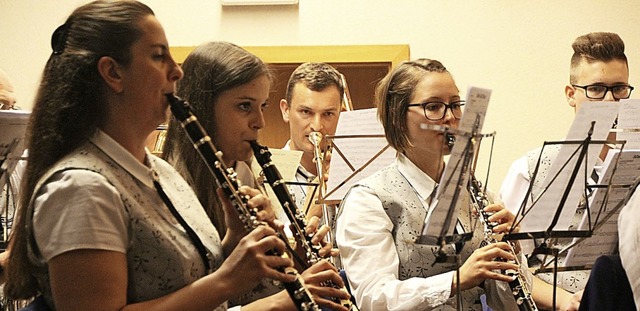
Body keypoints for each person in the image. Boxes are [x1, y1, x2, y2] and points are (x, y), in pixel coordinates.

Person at [3, 2, 313, 310]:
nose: (177, 72)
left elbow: (182, 276)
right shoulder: (80, 188)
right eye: (157, 56)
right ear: (113, 73)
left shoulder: (161, 171)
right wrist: (228, 281)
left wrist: (235, 240)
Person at [162, 41, 350, 310]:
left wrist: (296, 257)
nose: (260, 122)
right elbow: (211, 290)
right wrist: (283, 301)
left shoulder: (240, 171)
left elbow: (238, 278)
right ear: (203, 107)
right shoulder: (170, 187)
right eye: (244, 107)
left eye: (262, 106)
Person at [335, 58, 531, 310]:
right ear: (398, 117)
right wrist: (455, 280)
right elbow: (374, 299)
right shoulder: (369, 200)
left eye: (455, 105)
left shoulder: (476, 192)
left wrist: (511, 248)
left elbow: (507, 304)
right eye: (434, 107)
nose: (450, 117)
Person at [500, 32, 632, 310]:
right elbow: (509, 268)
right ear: (571, 95)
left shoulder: (635, 164)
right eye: (596, 89)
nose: (610, 102)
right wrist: (564, 301)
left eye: (619, 88)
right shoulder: (531, 170)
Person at [279, 62, 344, 219]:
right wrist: (308, 218)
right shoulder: (265, 175)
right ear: (286, 110)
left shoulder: (355, 177)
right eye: (306, 112)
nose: (316, 126)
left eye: (328, 114)